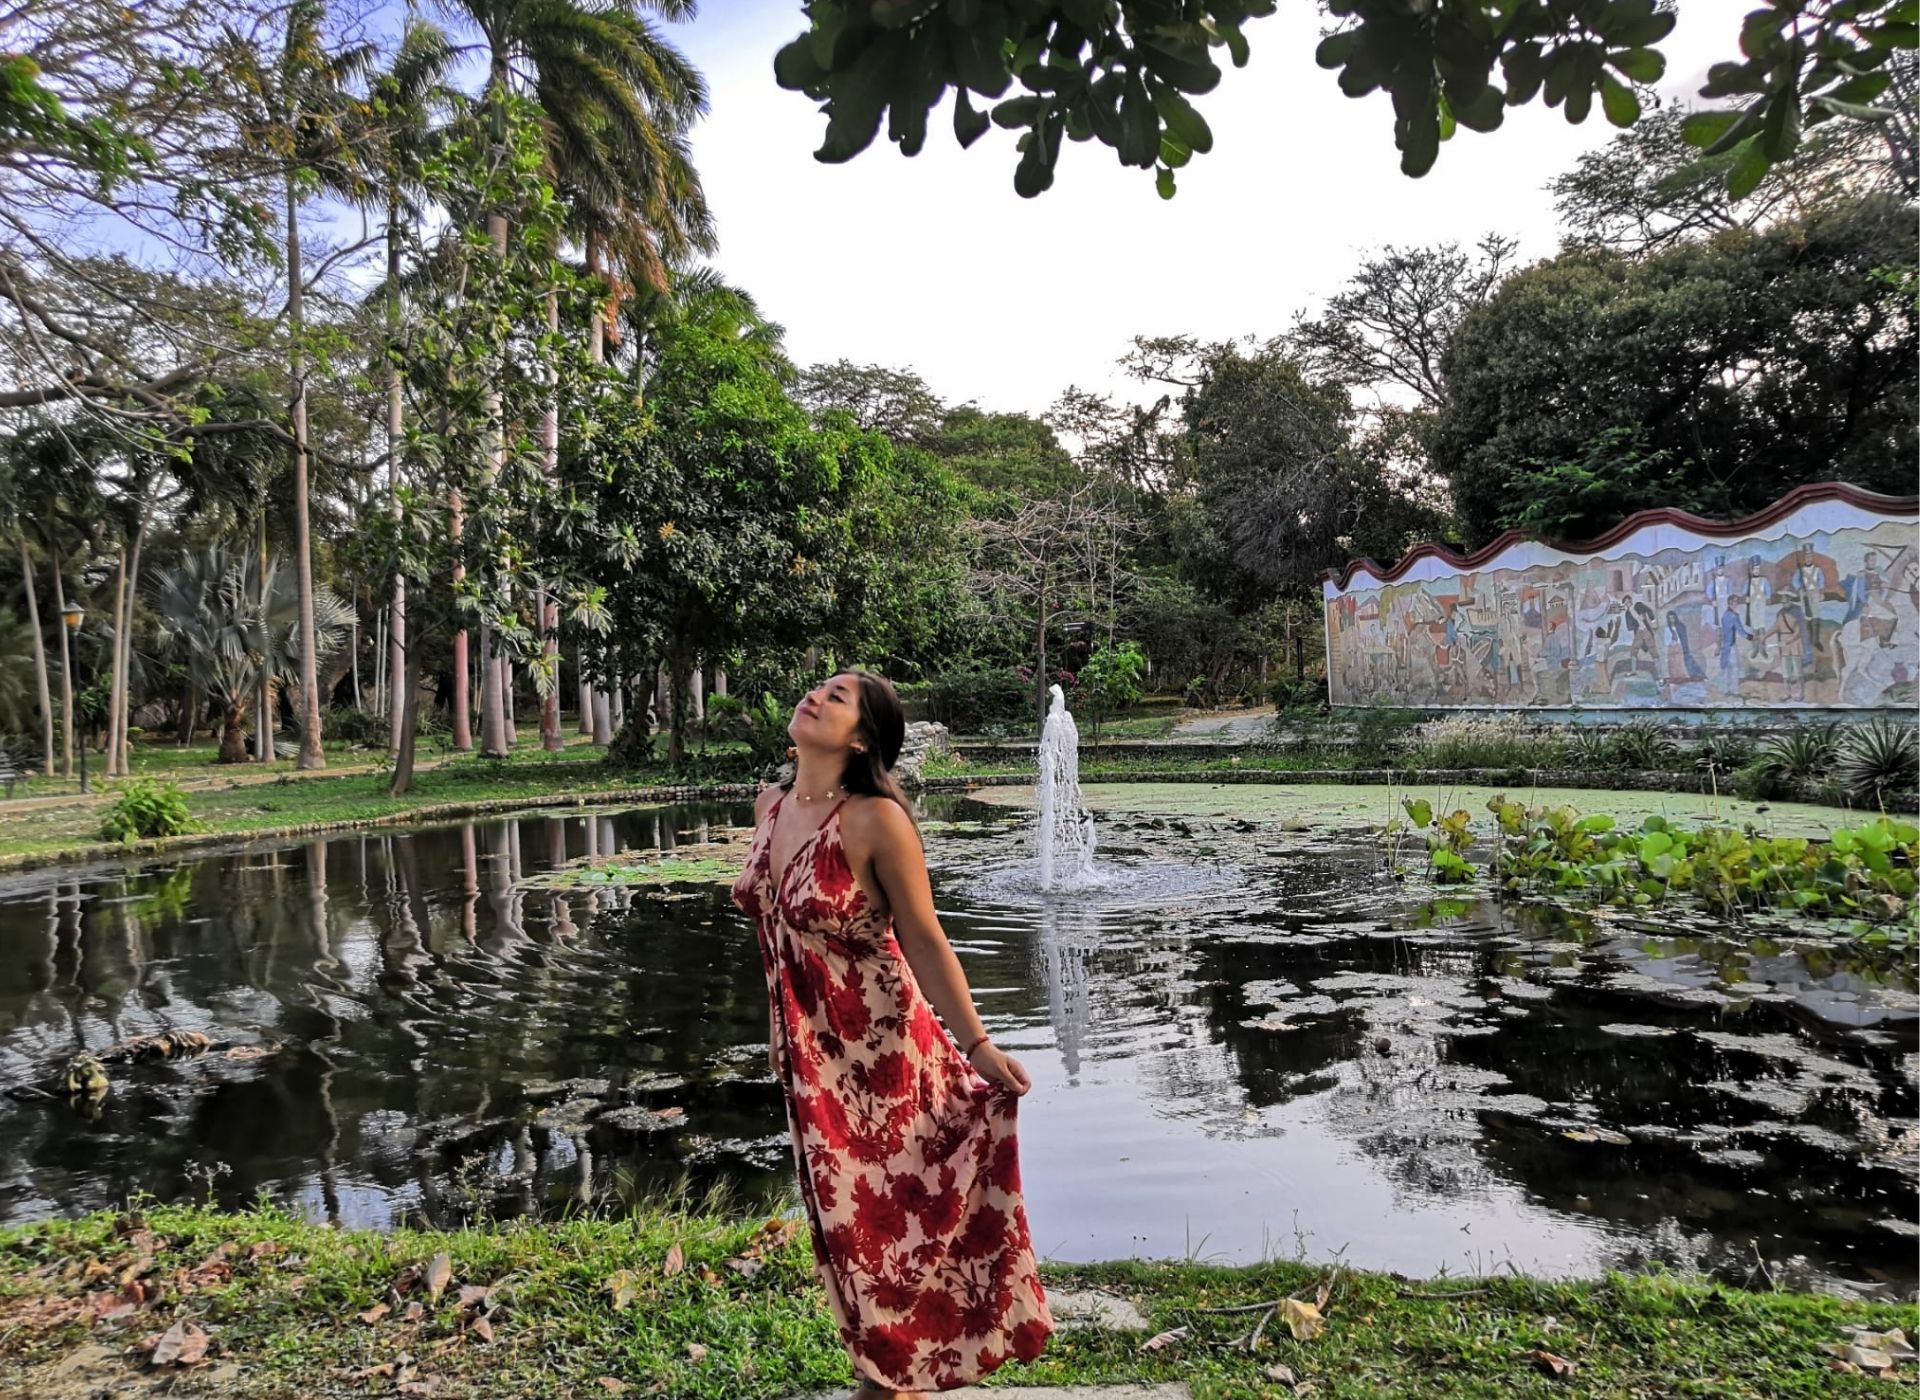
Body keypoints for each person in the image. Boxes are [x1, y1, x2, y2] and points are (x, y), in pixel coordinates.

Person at [730, 670, 1052, 1397]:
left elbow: (926, 938)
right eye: (817, 687)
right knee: (847, 1244)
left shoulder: (877, 821)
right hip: (812, 1067)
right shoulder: (769, 805)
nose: (816, 695)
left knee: (885, 1243)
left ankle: (885, 1384)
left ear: (863, 737)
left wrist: (977, 1045)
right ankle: (885, 1378)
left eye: (837, 697)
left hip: (887, 1061)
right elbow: (778, 936)